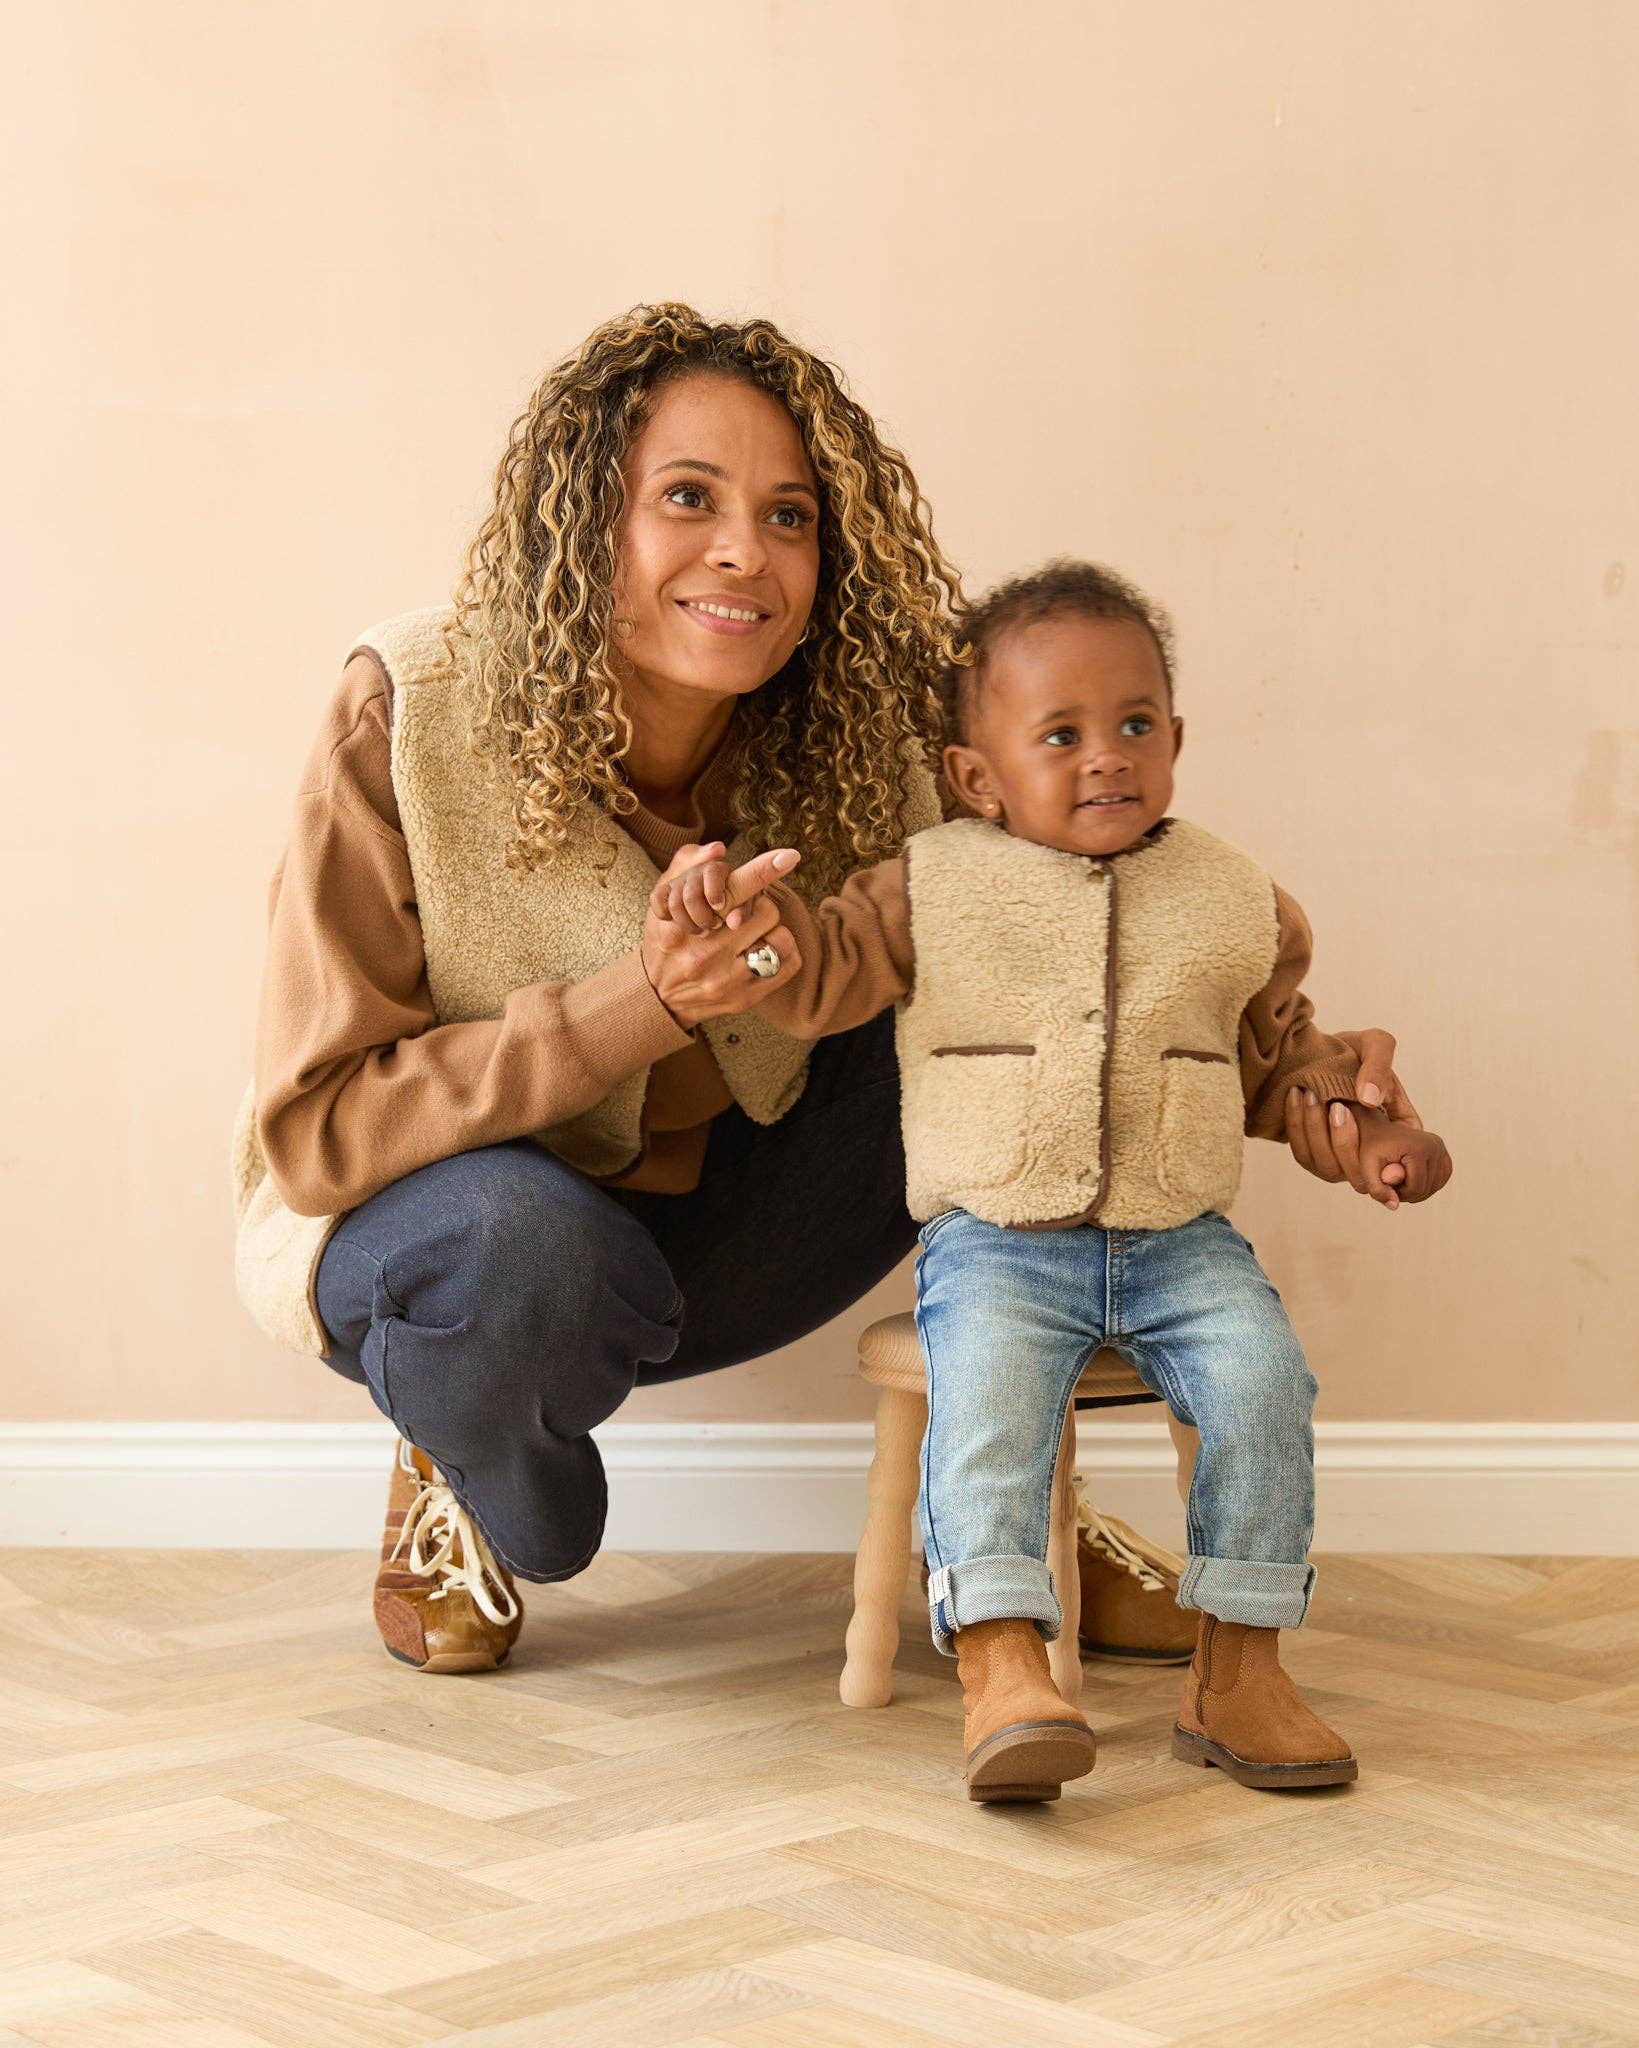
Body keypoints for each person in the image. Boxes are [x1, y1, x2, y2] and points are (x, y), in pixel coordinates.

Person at [232, 304, 1418, 1681]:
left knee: (1000, 986)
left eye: (788, 516)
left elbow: (1106, 953)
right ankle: (471, 1452)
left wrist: (1301, 1078)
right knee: (522, 1247)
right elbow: (317, 1131)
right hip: (473, 1253)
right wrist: (640, 1000)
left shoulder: (874, 721)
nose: (746, 550)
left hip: (741, 1238)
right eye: (688, 498)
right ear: (585, 522)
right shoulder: (411, 708)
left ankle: (1013, 1512)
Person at [649, 559, 1452, 1801]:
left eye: (1135, 724)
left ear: (1175, 737)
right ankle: (1002, 1662)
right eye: (1061, 734)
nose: (1106, 756)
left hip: (1182, 1239)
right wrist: (741, 932)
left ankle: (1238, 1669)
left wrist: (1372, 1127)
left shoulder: (1235, 899)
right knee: (987, 1404)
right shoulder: (926, 885)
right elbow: (818, 970)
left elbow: (1280, 1065)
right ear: (978, 776)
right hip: (998, 1239)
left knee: (1263, 1382)